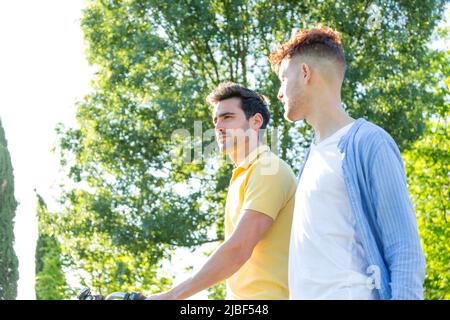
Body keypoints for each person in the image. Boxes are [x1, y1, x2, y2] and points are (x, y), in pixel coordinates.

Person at [269, 25, 426, 300]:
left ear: (305, 72)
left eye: (283, 79)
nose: (279, 93)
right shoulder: (313, 155)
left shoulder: (368, 142)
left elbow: (405, 250)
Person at [148, 82, 296, 300]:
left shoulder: (268, 170)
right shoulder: (244, 175)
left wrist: (169, 297)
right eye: (215, 120)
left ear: (255, 121)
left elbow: (238, 249)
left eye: (228, 117)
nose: (218, 126)